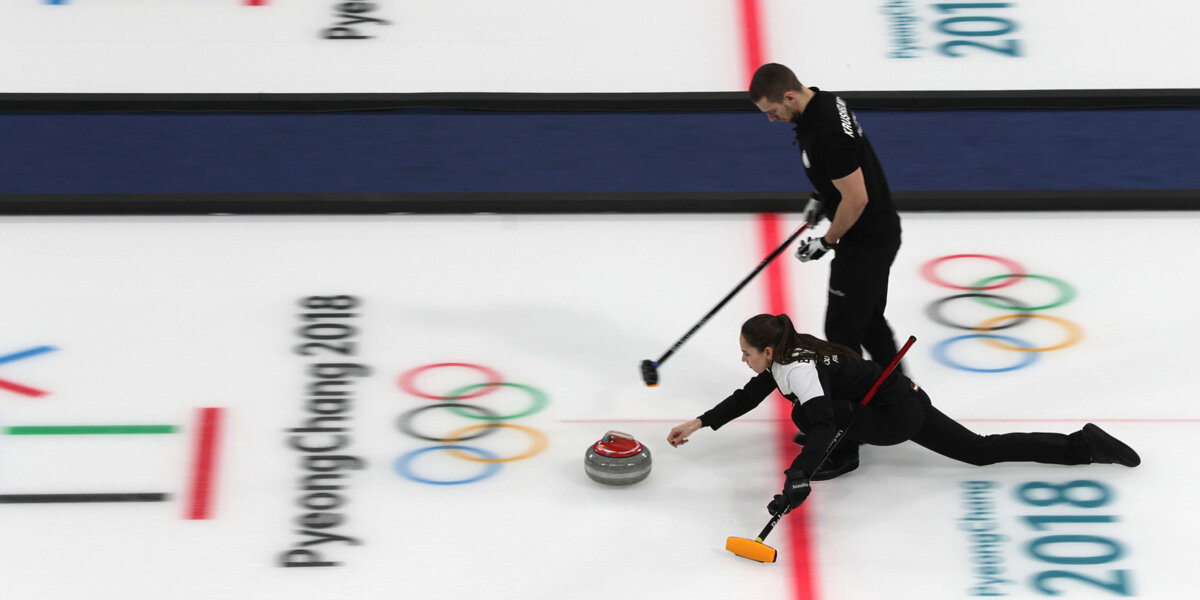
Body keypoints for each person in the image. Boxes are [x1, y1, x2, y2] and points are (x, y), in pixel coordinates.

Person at [666, 314, 1140, 517]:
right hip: (905, 396)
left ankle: (844, 457)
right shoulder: (790, 353)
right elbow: (750, 393)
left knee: (811, 422)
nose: (745, 360)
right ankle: (1082, 445)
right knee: (979, 451)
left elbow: (825, 426)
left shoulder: (799, 371)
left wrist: (798, 476)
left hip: (896, 417)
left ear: (768, 350)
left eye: (746, 353)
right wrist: (700, 421)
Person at [749, 62, 905, 478]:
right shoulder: (822, 103)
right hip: (872, 235)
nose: (770, 120)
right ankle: (902, 398)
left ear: (788, 96)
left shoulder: (827, 133)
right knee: (869, 321)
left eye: (772, 111)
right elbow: (840, 180)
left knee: (841, 338)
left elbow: (855, 200)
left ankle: (844, 441)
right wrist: (821, 196)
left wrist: (826, 240)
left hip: (863, 242)